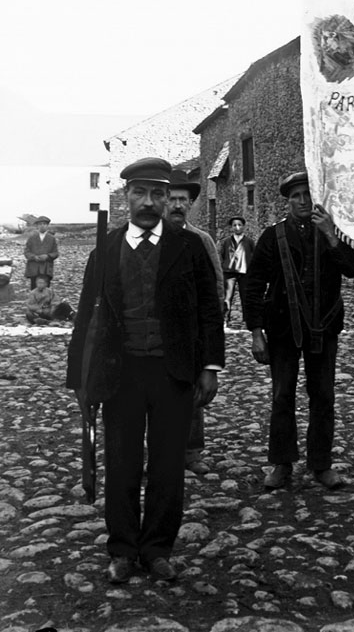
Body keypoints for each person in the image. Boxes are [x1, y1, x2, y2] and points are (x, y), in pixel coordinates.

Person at [66, 157, 225, 584]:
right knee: (122, 464)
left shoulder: (187, 248)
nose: (150, 202)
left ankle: (157, 549)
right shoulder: (106, 249)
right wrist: (79, 380)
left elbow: (209, 310)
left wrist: (210, 367)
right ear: (127, 198)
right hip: (122, 374)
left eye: (158, 194)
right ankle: (122, 549)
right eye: (141, 193)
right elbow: (86, 317)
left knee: (168, 466)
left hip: (174, 374)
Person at [244, 171, 354, 491]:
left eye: (307, 195)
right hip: (283, 329)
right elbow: (253, 284)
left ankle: (321, 464)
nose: (302, 201)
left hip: (324, 328)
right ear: (288, 200)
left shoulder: (332, 231)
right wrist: (256, 331)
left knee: (323, 395)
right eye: (296, 196)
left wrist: (330, 235)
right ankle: (282, 464)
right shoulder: (273, 236)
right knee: (282, 395)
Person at [167, 168, 225, 476]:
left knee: (192, 392)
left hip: (192, 332)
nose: (177, 205)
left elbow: (215, 285)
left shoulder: (202, 240)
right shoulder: (152, 239)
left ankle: (192, 451)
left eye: (183, 200)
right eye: (172, 199)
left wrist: (211, 330)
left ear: (190, 204)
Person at [219, 216, 255, 324]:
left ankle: (247, 319)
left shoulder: (249, 242)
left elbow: (254, 255)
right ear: (231, 227)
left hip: (244, 273)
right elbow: (222, 255)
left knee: (246, 296)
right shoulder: (226, 242)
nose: (237, 227)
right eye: (234, 225)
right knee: (227, 296)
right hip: (229, 272)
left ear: (243, 226)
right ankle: (226, 318)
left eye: (239, 225)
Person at [24, 216, 59, 289]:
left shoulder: (52, 238)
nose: (42, 226)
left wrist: (47, 256)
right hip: (34, 267)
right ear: (37, 226)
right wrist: (34, 257)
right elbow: (27, 251)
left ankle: (46, 300)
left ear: (47, 226)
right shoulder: (32, 237)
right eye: (40, 224)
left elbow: (55, 253)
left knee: (45, 289)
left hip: (46, 267)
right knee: (34, 288)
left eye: (44, 224)